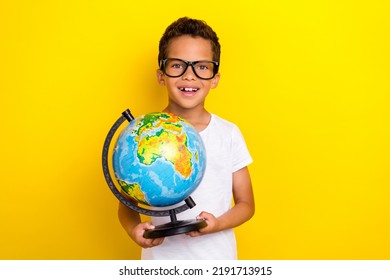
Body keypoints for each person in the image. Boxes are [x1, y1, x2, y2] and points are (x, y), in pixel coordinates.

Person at [118, 17, 255, 260]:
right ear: (161, 75)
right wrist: (133, 230)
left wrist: (217, 224)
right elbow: (127, 203)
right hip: (159, 263)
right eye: (177, 65)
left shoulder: (228, 134)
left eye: (202, 67)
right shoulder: (143, 135)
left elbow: (246, 204)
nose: (189, 76)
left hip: (216, 260)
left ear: (215, 78)